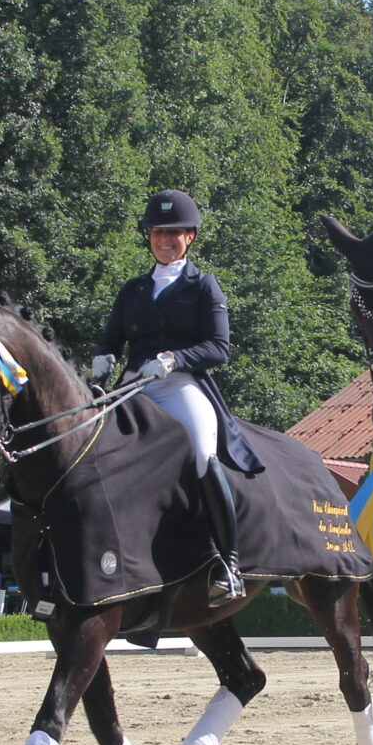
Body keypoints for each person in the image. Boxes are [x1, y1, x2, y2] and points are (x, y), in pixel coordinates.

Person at [92, 190, 248, 605]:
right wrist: (103, 359)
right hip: (132, 386)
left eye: (174, 233)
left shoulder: (203, 286)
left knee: (200, 451)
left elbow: (219, 346)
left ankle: (228, 564)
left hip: (179, 385)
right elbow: (111, 340)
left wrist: (175, 360)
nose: (165, 239)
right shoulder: (134, 289)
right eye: (158, 232)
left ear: (190, 237)